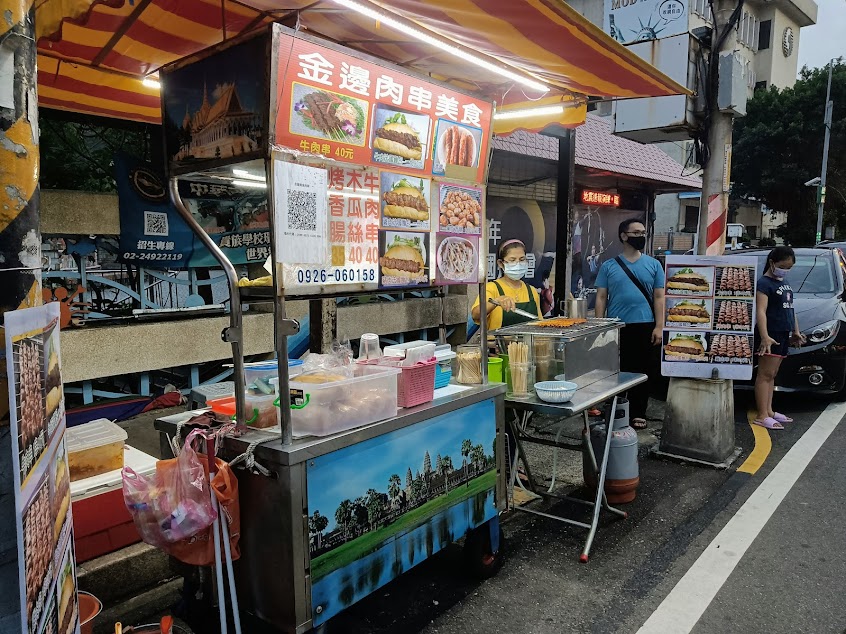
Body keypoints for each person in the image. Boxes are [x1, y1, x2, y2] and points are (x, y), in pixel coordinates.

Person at [594, 219, 666, 430]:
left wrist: (659, 326)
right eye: (636, 232)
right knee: (617, 370)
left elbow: (659, 297)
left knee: (642, 371)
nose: (641, 236)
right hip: (617, 326)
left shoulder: (654, 265)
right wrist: (601, 326)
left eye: (643, 232)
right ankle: (615, 408)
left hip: (646, 324)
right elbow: (601, 297)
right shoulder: (608, 266)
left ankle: (638, 412)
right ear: (623, 236)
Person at [754, 246, 805, 429]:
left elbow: (790, 308)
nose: (786, 270)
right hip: (772, 333)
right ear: (772, 263)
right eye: (783, 266)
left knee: (772, 375)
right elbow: (761, 311)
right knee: (765, 374)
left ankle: (769, 410)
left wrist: (795, 331)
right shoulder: (764, 283)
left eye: (789, 268)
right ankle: (761, 415)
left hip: (783, 333)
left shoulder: (784, 283)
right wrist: (765, 336)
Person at [471, 239, 543, 330]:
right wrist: (496, 301)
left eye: (522, 259)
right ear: (501, 264)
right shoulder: (492, 288)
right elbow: (475, 315)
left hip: (527, 344)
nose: (518, 264)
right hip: (497, 343)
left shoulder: (532, 291)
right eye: (512, 260)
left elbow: (540, 324)